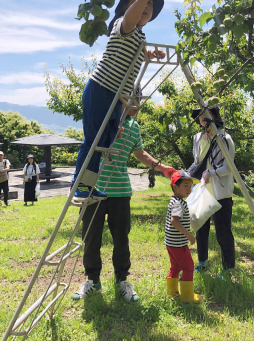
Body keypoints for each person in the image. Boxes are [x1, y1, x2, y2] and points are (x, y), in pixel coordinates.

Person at [71, 98, 176, 302]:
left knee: (121, 238)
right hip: (94, 190)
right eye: (134, 99)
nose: (138, 104)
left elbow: (140, 153)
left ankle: (122, 280)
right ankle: (93, 280)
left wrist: (161, 167)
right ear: (122, 100)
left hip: (121, 192)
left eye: (139, 99)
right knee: (91, 237)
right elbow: (89, 144)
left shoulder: (133, 126)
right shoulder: (101, 119)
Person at [72, 0, 164, 200]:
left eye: (150, 3)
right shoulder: (122, 24)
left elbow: (141, 53)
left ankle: (90, 185)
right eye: (139, 0)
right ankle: (80, 185)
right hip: (101, 88)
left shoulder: (140, 37)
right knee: (93, 140)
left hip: (117, 99)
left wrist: (152, 54)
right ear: (125, 6)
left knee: (104, 143)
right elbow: (130, 20)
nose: (145, 5)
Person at [191, 106, 235, 276]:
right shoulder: (197, 138)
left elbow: (229, 167)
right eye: (200, 114)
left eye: (206, 113)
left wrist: (211, 173)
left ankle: (228, 269)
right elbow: (197, 162)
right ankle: (202, 263)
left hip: (221, 193)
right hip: (203, 190)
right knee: (201, 229)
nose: (202, 117)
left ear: (215, 116)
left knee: (223, 233)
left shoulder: (225, 138)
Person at [165, 170, 202, 303]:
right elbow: (174, 221)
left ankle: (172, 292)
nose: (189, 189)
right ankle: (187, 296)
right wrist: (189, 236)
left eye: (190, 186)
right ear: (175, 187)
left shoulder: (175, 200)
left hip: (171, 243)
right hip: (178, 244)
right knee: (188, 267)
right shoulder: (179, 203)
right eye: (185, 185)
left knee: (175, 266)